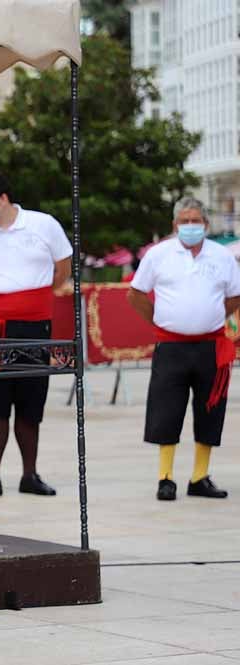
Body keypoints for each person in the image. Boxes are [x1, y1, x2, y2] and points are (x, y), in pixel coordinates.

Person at [0, 173, 71, 499]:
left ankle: (30, 474)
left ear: (3, 198)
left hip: (35, 326)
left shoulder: (43, 224)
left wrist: (33, 297)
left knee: (30, 401)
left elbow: (62, 266)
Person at [128, 197, 240, 501]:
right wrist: (160, 320)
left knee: (210, 409)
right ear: (174, 225)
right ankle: (165, 477)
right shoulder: (159, 254)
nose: (190, 226)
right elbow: (136, 294)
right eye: (184, 221)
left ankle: (200, 476)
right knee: (167, 409)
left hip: (210, 345)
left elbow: (235, 296)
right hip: (172, 344)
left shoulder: (221, 256)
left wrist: (212, 315)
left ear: (205, 224)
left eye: (196, 221)